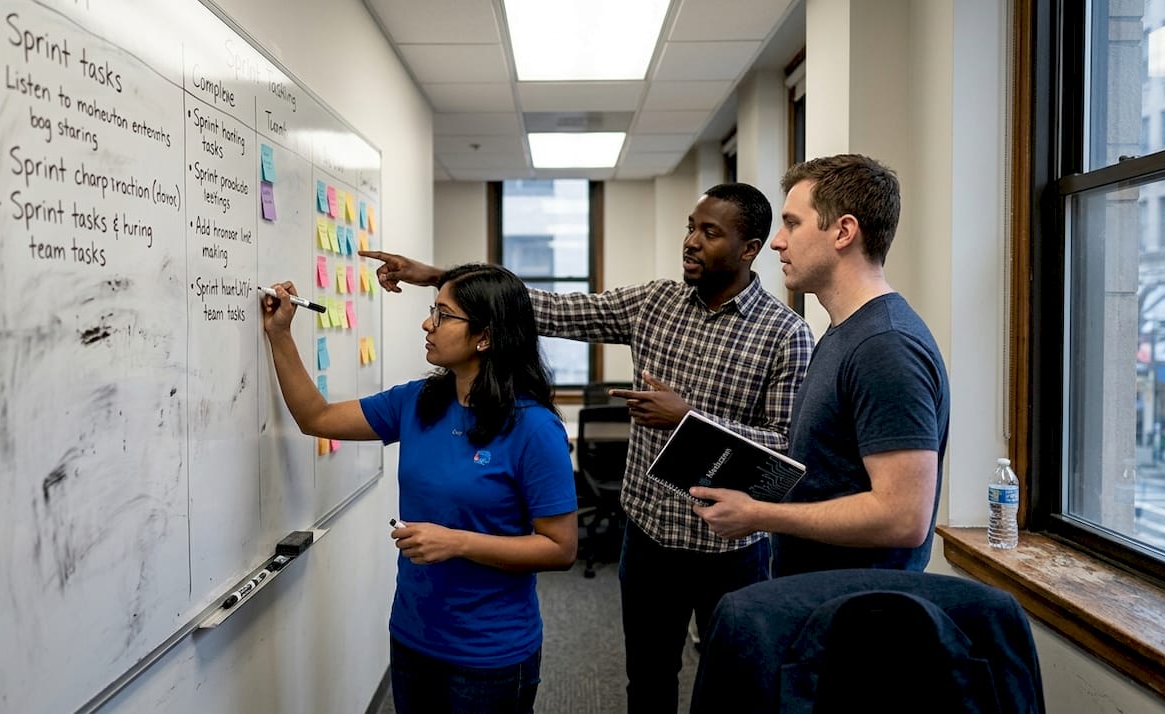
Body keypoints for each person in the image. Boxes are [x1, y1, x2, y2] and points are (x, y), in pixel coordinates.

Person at [363, 181, 814, 713]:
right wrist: (443, 279)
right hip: (649, 537)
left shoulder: (785, 333)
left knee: (737, 686)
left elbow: (785, 452)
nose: (691, 241)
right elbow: (553, 310)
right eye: (690, 228)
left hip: (732, 549)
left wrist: (688, 418)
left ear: (749, 248)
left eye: (709, 233)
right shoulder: (655, 302)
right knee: (647, 682)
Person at [260, 263, 578, 714]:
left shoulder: (533, 428)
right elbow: (318, 418)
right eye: (433, 311)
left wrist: (457, 543)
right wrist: (280, 335)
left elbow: (560, 549)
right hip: (412, 636)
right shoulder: (417, 401)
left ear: (484, 337)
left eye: (444, 316)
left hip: (489, 654)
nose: (428, 323)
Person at [691, 153, 951, 578]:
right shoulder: (846, 331)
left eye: (792, 223)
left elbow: (903, 517)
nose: (777, 241)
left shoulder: (885, 346)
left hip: (858, 612)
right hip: (820, 598)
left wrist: (759, 515)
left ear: (844, 232)